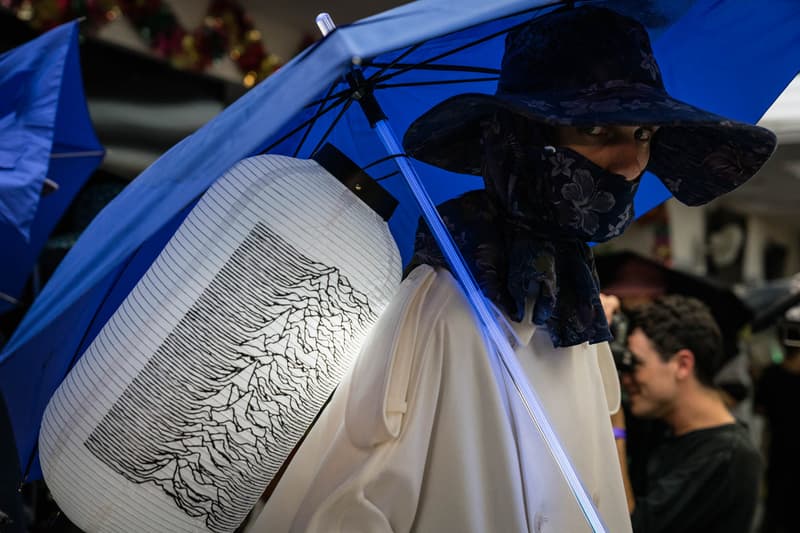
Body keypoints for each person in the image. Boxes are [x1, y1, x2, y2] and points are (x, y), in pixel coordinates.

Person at [247, 6, 775, 532]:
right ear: (527, 138)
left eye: (642, 134)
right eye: (596, 127)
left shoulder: (577, 305)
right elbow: (348, 504)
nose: (630, 161)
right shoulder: (447, 305)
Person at [610, 295, 761, 533]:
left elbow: (630, 528)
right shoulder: (664, 425)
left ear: (682, 365)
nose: (625, 379)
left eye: (635, 364)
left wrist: (613, 426)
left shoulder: (727, 457)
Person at [754, 308, 800, 533]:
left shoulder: (770, 375)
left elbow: (760, 410)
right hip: (781, 459)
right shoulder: (771, 375)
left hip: (778, 457)